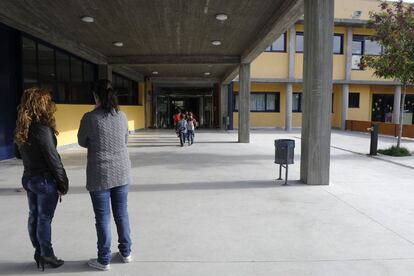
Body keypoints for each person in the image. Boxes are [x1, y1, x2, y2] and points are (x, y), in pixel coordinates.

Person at [78, 80, 132, 271]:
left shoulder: (90, 118)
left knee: (103, 218)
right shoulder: (122, 116)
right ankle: (126, 253)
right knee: (122, 213)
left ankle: (104, 260)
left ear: (96, 96)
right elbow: (125, 139)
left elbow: (82, 141)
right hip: (122, 172)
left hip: (99, 174)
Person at [14, 88, 68, 271]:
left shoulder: (23, 127)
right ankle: (47, 255)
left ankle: (39, 252)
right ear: (42, 106)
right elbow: (53, 160)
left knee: (34, 216)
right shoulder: (42, 129)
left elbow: (18, 154)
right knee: (44, 219)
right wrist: (63, 183)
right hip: (44, 181)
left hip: (29, 179)